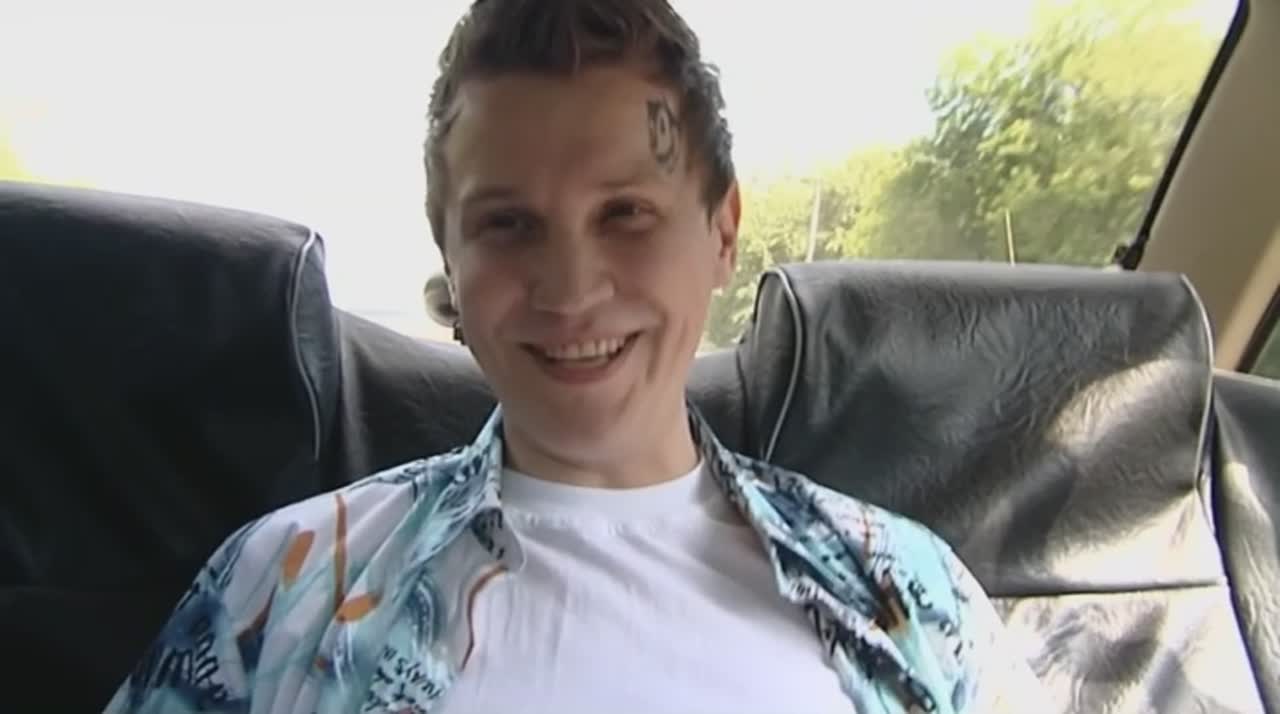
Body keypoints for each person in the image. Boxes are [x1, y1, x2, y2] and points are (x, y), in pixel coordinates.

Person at [105, 1, 1048, 712]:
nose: (569, 289)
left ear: (722, 231)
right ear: (450, 259)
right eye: (508, 224)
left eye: (625, 213)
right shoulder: (284, 588)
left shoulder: (906, 593)